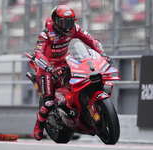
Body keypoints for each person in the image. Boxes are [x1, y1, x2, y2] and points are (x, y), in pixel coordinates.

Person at [33, 5, 110, 141]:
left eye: (70, 22)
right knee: (49, 103)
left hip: (65, 61)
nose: (67, 27)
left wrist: (102, 54)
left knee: (84, 78)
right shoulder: (45, 34)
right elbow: (38, 54)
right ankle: (39, 125)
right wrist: (49, 68)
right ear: (55, 21)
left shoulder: (74, 29)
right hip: (47, 68)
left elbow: (91, 40)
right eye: (63, 23)